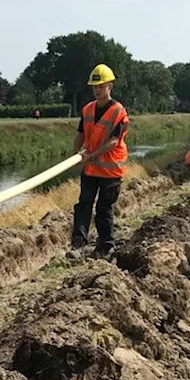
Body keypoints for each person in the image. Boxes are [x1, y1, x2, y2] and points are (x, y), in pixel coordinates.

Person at [70, 63, 130, 256]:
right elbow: (80, 134)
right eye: (95, 87)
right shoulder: (87, 110)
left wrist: (91, 156)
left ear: (110, 86)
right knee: (83, 205)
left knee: (104, 209)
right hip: (90, 168)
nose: (97, 90)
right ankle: (78, 244)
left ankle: (106, 246)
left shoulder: (118, 112)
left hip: (111, 170)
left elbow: (114, 142)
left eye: (101, 86)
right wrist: (74, 154)